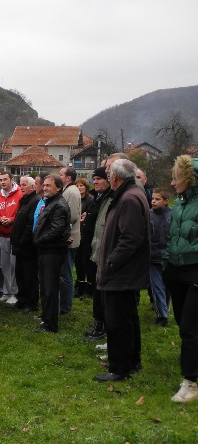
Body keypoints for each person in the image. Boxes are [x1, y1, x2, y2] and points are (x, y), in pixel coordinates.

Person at [94, 158, 150, 382]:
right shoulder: (130, 194)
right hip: (124, 271)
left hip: (121, 272)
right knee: (127, 318)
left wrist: (111, 262)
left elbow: (130, 238)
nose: (107, 176)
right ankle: (131, 361)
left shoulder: (128, 198)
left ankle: (119, 368)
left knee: (117, 321)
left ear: (115, 177)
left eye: (108, 173)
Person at [164, 155, 198, 403]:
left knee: (189, 327)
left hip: (195, 270)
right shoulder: (179, 203)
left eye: (176, 178)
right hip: (176, 269)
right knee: (181, 322)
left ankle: (191, 382)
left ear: (190, 179)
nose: (173, 183)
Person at [33, 175, 70, 333]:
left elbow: (56, 230)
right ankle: (46, 317)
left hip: (52, 251)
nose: (45, 188)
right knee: (45, 286)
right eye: (45, 185)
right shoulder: (51, 202)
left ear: (58, 187)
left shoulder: (59, 205)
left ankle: (51, 324)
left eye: (49, 186)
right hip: (45, 250)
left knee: (50, 288)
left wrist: (39, 240)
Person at [83, 167, 114, 341]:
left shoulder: (110, 198)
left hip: (101, 250)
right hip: (91, 248)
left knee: (100, 290)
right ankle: (99, 321)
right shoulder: (98, 198)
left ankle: (101, 324)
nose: (95, 182)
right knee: (96, 287)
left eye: (99, 179)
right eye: (93, 179)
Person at [0, 172, 22, 305]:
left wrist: (12, 220)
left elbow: (22, 213)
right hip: (3, 235)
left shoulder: (19, 194)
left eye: (5, 179)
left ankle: (15, 293)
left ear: (11, 180)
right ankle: (6, 291)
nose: (2, 182)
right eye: (1, 180)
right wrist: (0, 219)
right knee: (4, 265)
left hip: (14, 235)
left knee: (14, 265)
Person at [11, 176, 41, 312]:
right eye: (20, 184)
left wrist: (22, 241)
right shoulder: (24, 201)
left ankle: (31, 302)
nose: (21, 187)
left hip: (27, 246)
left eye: (24, 185)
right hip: (19, 245)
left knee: (30, 275)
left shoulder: (35, 201)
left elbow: (30, 224)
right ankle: (22, 298)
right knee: (20, 274)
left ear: (33, 187)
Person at [59, 167, 81, 315]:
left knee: (66, 273)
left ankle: (65, 306)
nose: (58, 176)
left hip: (69, 237)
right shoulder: (67, 190)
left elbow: (71, 216)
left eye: (61, 174)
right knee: (63, 272)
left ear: (68, 178)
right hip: (66, 236)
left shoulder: (71, 192)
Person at [149, 188, 171, 327]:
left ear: (166, 201)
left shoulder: (172, 215)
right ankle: (162, 315)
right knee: (157, 287)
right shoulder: (148, 215)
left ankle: (165, 309)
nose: (153, 201)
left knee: (167, 286)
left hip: (169, 257)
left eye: (157, 199)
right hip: (152, 257)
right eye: (152, 199)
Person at [74, 177, 95, 297]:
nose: (79, 188)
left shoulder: (90, 200)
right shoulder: (76, 199)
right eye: (77, 186)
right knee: (78, 263)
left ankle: (89, 288)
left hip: (86, 234)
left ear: (86, 187)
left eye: (81, 186)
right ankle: (80, 286)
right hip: (77, 232)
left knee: (86, 262)